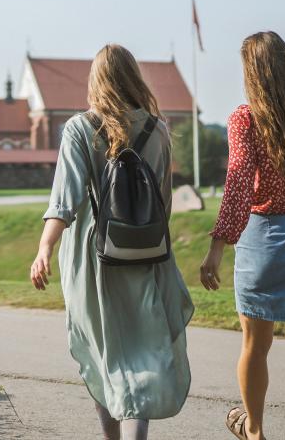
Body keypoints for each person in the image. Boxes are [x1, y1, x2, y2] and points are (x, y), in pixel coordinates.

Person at [30, 44, 192, 440]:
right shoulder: (158, 130)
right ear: (134, 76)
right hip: (148, 254)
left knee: (103, 355)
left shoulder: (80, 128)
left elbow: (63, 203)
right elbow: (164, 203)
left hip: (93, 258)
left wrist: (44, 248)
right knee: (144, 351)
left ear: (96, 80)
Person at [199, 31, 285, 440]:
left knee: (255, 346)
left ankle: (255, 431)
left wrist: (217, 246)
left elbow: (239, 180)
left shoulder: (245, 118)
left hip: (263, 240)